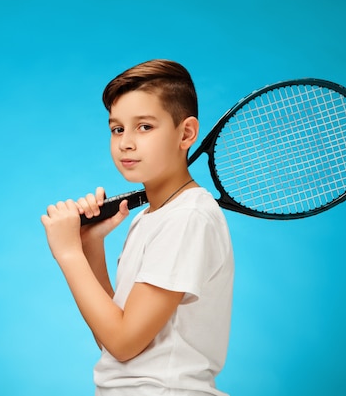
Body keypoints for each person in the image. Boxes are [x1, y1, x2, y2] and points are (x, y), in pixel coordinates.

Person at [41, 59, 234, 396]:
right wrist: (90, 245)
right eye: (117, 129)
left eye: (144, 127)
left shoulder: (187, 217)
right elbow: (111, 337)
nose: (126, 143)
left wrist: (68, 253)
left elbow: (124, 343)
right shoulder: (151, 218)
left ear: (186, 133)